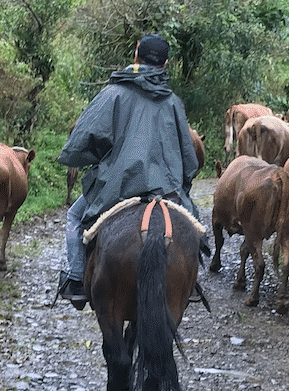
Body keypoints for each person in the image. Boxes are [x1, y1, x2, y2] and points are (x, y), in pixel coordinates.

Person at [56, 34, 202, 308]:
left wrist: (93, 160)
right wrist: (180, 183)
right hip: (166, 190)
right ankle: (191, 283)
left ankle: (75, 280)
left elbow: (82, 141)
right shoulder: (173, 102)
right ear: (166, 64)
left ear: (136, 57)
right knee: (194, 227)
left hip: (116, 187)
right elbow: (189, 160)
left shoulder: (111, 95)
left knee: (74, 218)